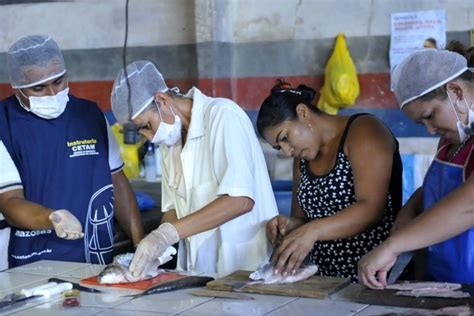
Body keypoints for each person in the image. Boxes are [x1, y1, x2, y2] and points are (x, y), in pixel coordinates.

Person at [111, 61, 278, 277]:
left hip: (244, 269)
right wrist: (156, 247)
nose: (149, 137)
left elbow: (240, 200)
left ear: (162, 100)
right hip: (199, 272)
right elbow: (173, 209)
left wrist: (167, 235)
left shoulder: (222, 115)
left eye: (146, 126)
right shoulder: (169, 143)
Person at [0, 35, 143, 267]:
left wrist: (141, 244)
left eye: (58, 82)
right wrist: (52, 217)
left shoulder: (90, 115)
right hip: (33, 259)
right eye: (38, 88)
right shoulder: (4, 123)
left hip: (93, 252)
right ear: (17, 88)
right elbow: (9, 202)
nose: (51, 94)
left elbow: (117, 182)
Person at [257, 82, 403, 282]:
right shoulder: (302, 157)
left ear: (303, 113)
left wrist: (312, 231)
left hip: (370, 276)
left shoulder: (364, 130)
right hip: (323, 281)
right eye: (278, 147)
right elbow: (303, 218)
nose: (287, 151)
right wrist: (289, 225)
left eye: (285, 137)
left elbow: (372, 208)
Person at [358, 48, 474, 288]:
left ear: (455, 91)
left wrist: (393, 245)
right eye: (423, 123)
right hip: (445, 280)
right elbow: (439, 188)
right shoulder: (453, 137)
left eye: (430, 115)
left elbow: (468, 205)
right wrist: (408, 211)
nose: (430, 130)